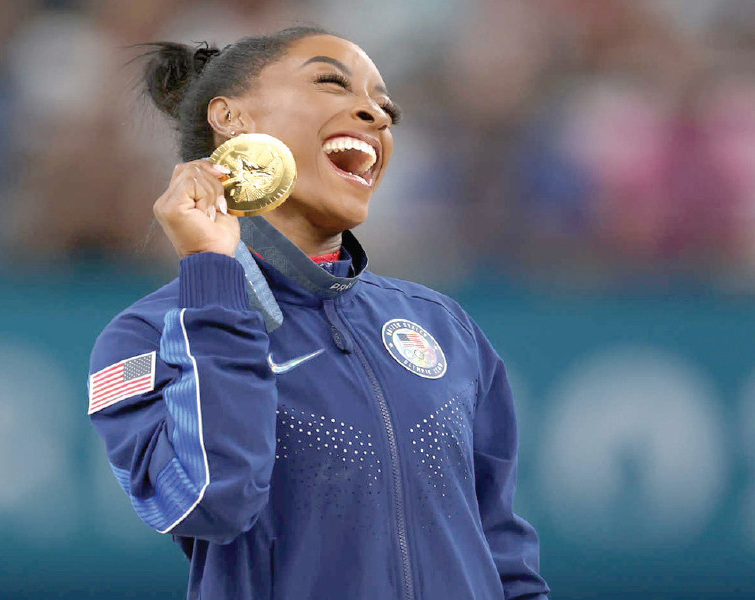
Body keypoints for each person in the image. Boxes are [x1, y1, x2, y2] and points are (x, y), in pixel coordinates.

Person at [88, 26, 550, 600]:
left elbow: (502, 553)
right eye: (332, 82)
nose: (377, 114)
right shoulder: (148, 336)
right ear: (230, 118)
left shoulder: (441, 326)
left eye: (387, 107)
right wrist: (211, 274)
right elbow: (213, 500)